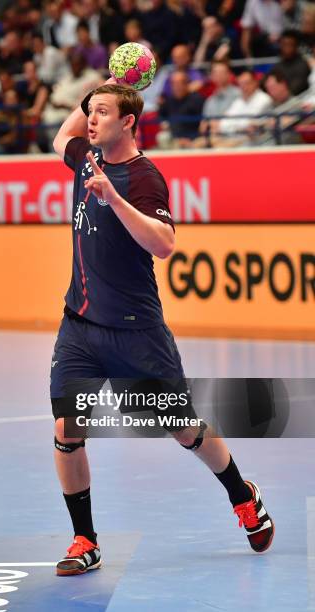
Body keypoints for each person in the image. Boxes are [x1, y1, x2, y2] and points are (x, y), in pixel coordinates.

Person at [50, 78, 275, 575]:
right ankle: (84, 539)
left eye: (103, 112)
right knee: (68, 431)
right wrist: (103, 85)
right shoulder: (84, 156)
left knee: (182, 428)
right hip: (80, 326)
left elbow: (164, 243)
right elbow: (58, 136)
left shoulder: (143, 176)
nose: (91, 118)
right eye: (91, 111)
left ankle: (243, 494)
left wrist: (112, 198)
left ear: (128, 122)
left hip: (136, 333)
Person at [274, 29, 311, 95]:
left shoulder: (302, 65)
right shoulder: (279, 65)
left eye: (290, 44)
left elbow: (295, 89)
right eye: (284, 44)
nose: (286, 48)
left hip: (298, 100)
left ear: (296, 46)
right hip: (279, 99)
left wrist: (278, 90)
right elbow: (265, 82)